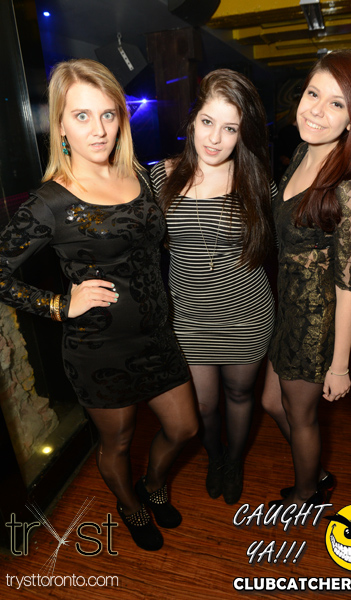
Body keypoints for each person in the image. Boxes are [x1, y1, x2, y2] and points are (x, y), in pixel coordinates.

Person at [0, 59, 198, 551]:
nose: (99, 129)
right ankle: (130, 505)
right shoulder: (50, 201)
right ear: (60, 125)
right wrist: (58, 304)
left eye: (108, 114)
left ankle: (154, 484)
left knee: (184, 427)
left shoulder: (136, 176)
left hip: (157, 337)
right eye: (82, 115)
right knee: (119, 441)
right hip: (98, 348)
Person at [151, 69, 276, 505]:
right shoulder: (160, 178)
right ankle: (214, 456)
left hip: (246, 316)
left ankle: (234, 461)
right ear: (192, 120)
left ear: (243, 134)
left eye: (230, 128)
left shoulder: (257, 183)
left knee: (240, 395)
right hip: (188, 319)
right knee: (203, 406)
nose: (216, 138)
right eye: (207, 122)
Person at [261, 50, 351, 508]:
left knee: (301, 415)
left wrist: (340, 365)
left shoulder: (348, 184)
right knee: (273, 403)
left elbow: (349, 286)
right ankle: (315, 471)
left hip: (316, 321)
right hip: (287, 307)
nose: (316, 110)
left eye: (337, 103)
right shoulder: (299, 156)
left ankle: (306, 494)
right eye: (313, 94)